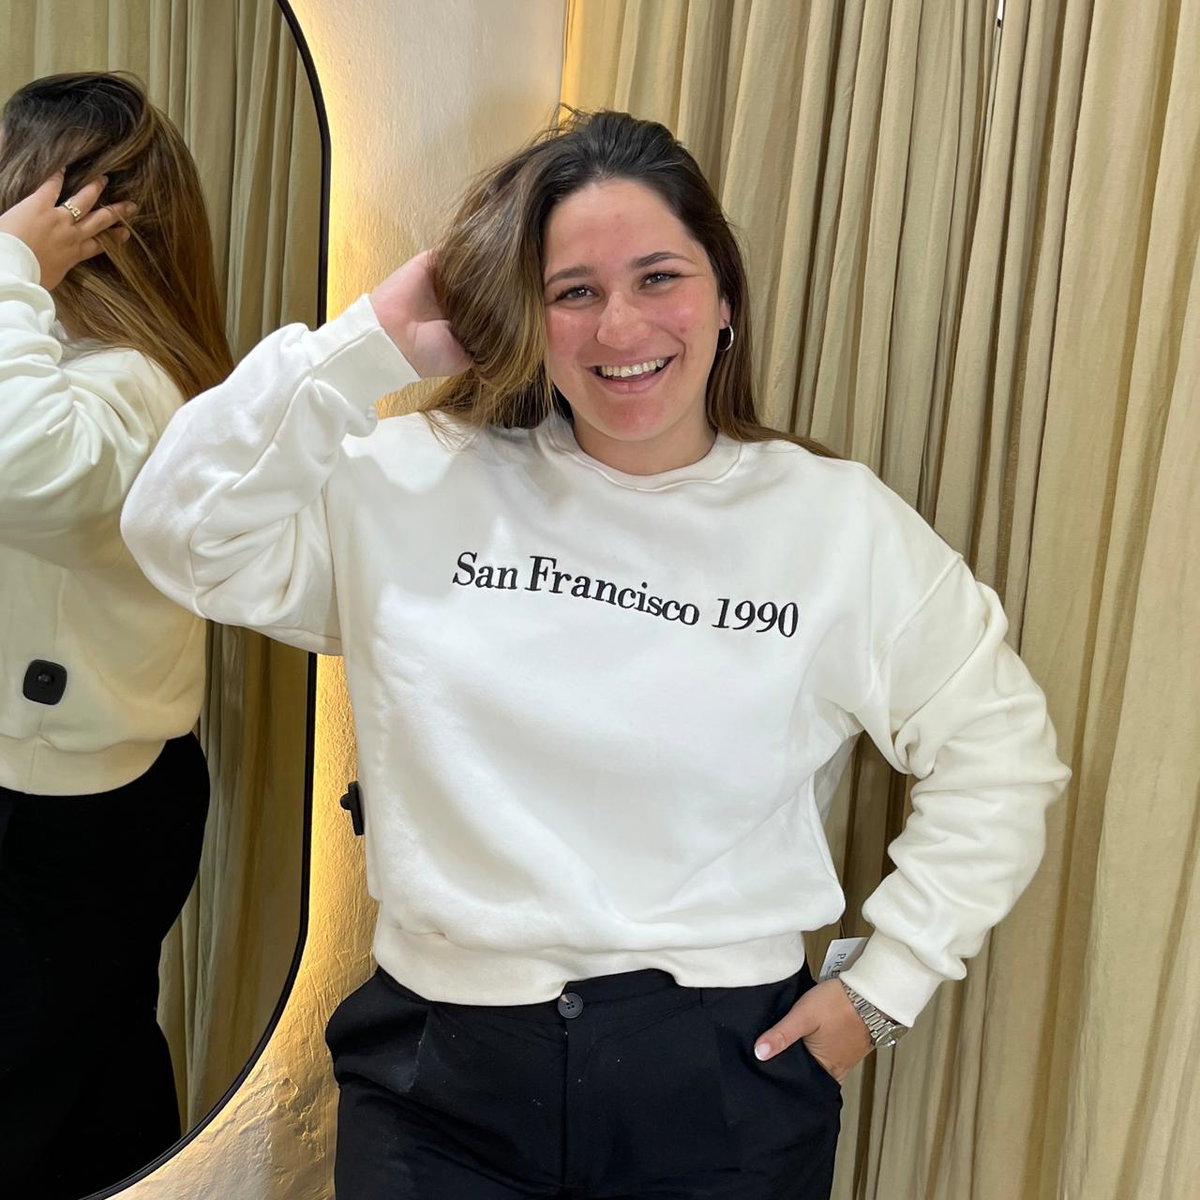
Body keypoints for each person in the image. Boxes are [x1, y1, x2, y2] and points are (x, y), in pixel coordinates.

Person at [121, 110, 1070, 1200]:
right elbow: (177, 532)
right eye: (572, 291)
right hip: (443, 1086)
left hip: (720, 1078)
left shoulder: (836, 526)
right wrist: (367, 343)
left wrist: (886, 984)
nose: (620, 326)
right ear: (526, 314)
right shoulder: (416, 479)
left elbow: (1000, 753)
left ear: (725, 296)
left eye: (658, 277)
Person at [0, 72, 231, 1199]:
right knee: (91, 1090)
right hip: (68, 786)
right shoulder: (58, 364)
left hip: (67, 805)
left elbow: (23, 463)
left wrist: (11, 268)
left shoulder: (133, 383)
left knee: (41, 1095)